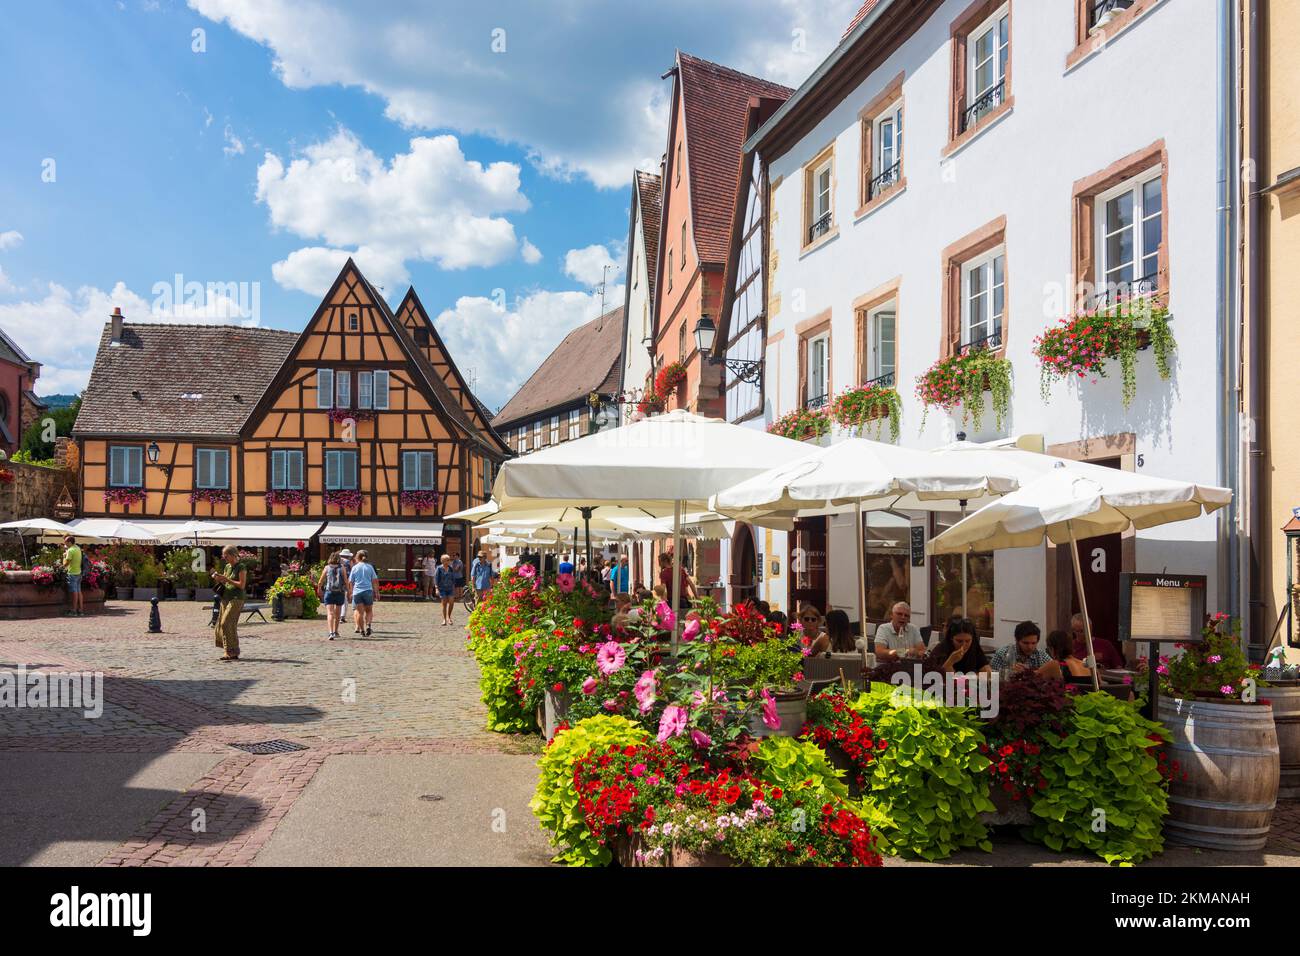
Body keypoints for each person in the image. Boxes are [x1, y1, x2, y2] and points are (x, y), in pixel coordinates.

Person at [210, 544, 248, 661]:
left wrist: (227, 580)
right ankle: (230, 652)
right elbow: (225, 582)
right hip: (225, 597)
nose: (224, 558)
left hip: (237, 598)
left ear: (233, 555)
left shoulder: (241, 567)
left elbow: (241, 585)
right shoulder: (227, 567)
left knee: (226, 623)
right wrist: (218, 577)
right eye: (223, 556)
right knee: (226, 624)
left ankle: (231, 651)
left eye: (226, 556)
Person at [989, 620, 1055, 675]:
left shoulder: (1041, 655)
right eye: (1025, 643)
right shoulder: (1003, 654)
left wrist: (1031, 673)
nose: (1030, 647)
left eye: (1034, 643)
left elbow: (1055, 671)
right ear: (1017, 640)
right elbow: (989, 676)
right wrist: (1010, 672)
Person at [316, 551, 349, 641]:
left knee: (330, 613)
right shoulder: (342, 567)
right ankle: (336, 631)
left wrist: (319, 589)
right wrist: (349, 591)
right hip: (340, 592)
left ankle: (331, 633)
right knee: (337, 613)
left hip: (329, 592)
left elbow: (320, 581)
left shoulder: (327, 568)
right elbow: (346, 581)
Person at [349, 549, 378, 636]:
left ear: (358, 557)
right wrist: (376, 592)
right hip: (368, 591)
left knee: (359, 612)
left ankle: (361, 630)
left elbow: (351, 581)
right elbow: (374, 580)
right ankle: (368, 625)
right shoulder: (370, 567)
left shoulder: (355, 567)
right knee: (369, 611)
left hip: (357, 592)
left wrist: (351, 591)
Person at [61, 535, 84, 617]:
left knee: (74, 592)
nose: (65, 544)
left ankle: (73, 611)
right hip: (79, 572)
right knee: (79, 591)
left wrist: (64, 557)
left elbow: (66, 564)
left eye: (66, 542)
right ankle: (81, 610)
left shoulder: (70, 550)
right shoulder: (77, 548)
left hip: (72, 573)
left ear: (70, 542)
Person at [434, 554, 457, 626]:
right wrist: (437, 589)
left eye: (448, 560)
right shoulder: (439, 568)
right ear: (442, 561)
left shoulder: (451, 569)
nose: (448, 561)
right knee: (444, 604)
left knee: (451, 602)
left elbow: (453, 579)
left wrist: (454, 587)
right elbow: (436, 579)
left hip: (450, 588)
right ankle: (444, 619)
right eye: (446, 560)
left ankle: (449, 617)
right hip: (442, 588)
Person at [338, 549, 354, 622]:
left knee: (337, 600)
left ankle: (337, 615)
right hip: (346, 583)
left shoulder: (337, 561)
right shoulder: (349, 562)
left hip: (336, 584)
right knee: (345, 600)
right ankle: (342, 616)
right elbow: (352, 573)